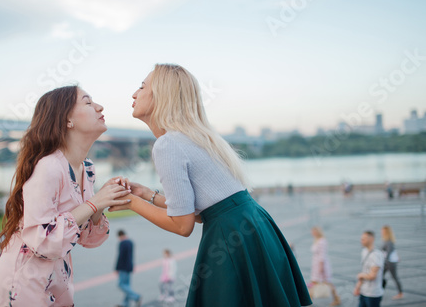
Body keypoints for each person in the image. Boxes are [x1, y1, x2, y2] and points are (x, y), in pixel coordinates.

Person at [110, 64, 312, 306]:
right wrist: (145, 194)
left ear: (161, 95)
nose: (134, 94)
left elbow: (183, 225)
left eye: (141, 87)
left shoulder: (168, 145)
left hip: (230, 235)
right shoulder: (197, 137)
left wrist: (131, 202)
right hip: (251, 225)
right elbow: (199, 210)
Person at [0, 85, 132, 306]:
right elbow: (42, 240)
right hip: (21, 287)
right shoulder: (49, 167)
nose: (99, 107)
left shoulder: (86, 168)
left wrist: (103, 201)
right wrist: (94, 202)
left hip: (56, 285)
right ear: (67, 120)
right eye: (88, 102)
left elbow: (88, 238)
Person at [309, 226, 341, 306]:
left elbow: (322, 256)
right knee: (315, 283)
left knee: (325, 283)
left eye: (314, 232)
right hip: (317, 265)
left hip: (321, 266)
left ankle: (336, 299)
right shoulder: (317, 240)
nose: (312, 233)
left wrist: (320, 269)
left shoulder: (322, 241)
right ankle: (310, 299)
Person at [353, 230, 385, 307]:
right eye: (361, 239)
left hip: (373, 294)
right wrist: (358, 287)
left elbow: (372, 276)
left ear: (371, 239)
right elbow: (364, 270)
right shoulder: (364, 251)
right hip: (363, 292)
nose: (361, 241)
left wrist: (360, 275)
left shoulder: (376, 255)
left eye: (364, 239)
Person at [115, 230, 142, 307]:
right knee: (127, 285)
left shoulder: (122, 243)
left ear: (120, 236)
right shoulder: (130, 242)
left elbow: (120, 257)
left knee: (121, 285)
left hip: (123, 267)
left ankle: (136, 297)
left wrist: (117, 268)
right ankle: (125, 304)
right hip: (129, 266)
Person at [381, 225, 403, 300]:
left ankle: (400, 293)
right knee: (380, 276)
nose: (382, 232)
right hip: (387, 262)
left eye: (383, 231)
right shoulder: (386, 240)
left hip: (390, 262)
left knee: (394, 277)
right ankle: (380, 290)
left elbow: (389, 252)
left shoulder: (389, 241)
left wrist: (383, 260)